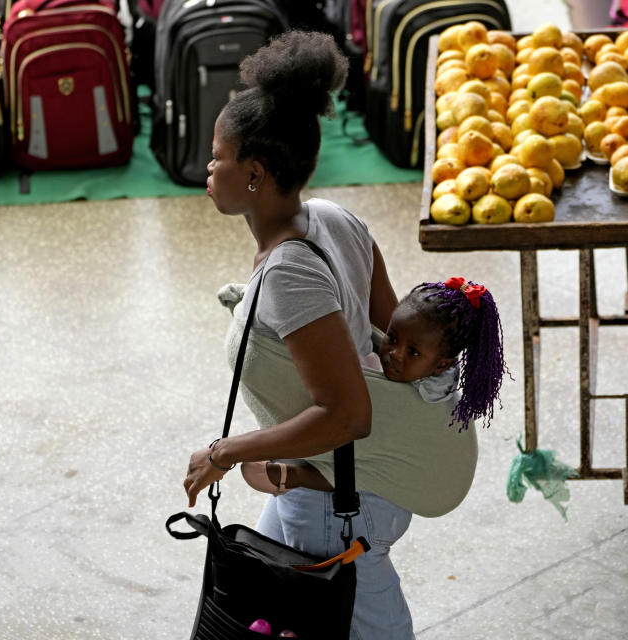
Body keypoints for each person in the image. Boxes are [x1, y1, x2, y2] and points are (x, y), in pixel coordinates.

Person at [181, 30, 414, 638]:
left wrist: (224, 452)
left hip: (336, 512)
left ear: (254, 173)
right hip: (333, 489)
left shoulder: (289, 273)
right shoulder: (338, 219)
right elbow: (391, 346)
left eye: (218, 156)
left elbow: (348, 414)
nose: (210, 168)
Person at [239, 276, 507, 496]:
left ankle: (294, 478)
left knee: (364, 471)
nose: (395, 354)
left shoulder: (427, 401)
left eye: (413, 352)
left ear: (441, 366)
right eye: (391, 337)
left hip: (378, 491)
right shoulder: (387, 365)